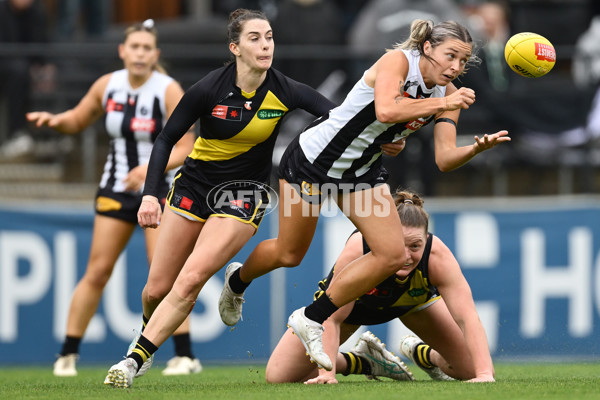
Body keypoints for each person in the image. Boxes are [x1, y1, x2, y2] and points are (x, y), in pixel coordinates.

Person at [218, 19, 510, 371]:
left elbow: (445, 159)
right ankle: (238, 280)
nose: (456, 68)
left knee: (391, 253)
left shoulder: (449, 94)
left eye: (463, 61)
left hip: (360, 173)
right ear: (428, 48)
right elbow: (387, 109)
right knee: (288, 252)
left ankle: (313, 317)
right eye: (451, 56)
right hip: (314, 161)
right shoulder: (399, 62)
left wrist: (476, 149)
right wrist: (438, 108)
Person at [102, 9, 341, 388]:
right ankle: (148, 338)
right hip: (194, 187)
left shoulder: (284, 89)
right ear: (235, 47)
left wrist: (382, 136)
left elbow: (339, 118)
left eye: (269, 37)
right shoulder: (208, 89)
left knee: (192, 277)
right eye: (254, 38)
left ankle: (132, 361)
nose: (265, 45)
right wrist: (151, 195)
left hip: (243, 196)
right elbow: (166, 140)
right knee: (155, 290)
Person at [26, 19, 199, 377]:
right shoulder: (108, 85)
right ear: (122, 51)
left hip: (159, 192)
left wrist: (148, 171)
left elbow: (189, 146)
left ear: (156, 55)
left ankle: (184, 355)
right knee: (98, 271)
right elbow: (77, 119)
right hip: (115, 189)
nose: (139, 53)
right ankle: (67, 354)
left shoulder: (167, 89)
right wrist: (54, 120)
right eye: (133, 47)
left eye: (146, 48)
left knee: (162, 274)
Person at [265, 189, 494, 384]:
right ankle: (364, 361)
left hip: (412, 305)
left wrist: (484, 374)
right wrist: (328, 373)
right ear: (385, 235)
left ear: (426, 239)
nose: (406, 256)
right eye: (399, 244)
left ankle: (425, 355)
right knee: (279, 376)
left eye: (415, 246)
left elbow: (468, 318)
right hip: (351, 311)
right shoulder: (359, 248)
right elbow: (332, 318)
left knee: (472, 370)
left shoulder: (437, 256)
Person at [0, 0, 54, 158]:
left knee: (51, 74)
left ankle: (51, 137)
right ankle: (16, 134)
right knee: (18, 71)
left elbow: (42, 45)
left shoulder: (37, 12)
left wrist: (45, 66)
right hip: (6, 69)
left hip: (27, 72)